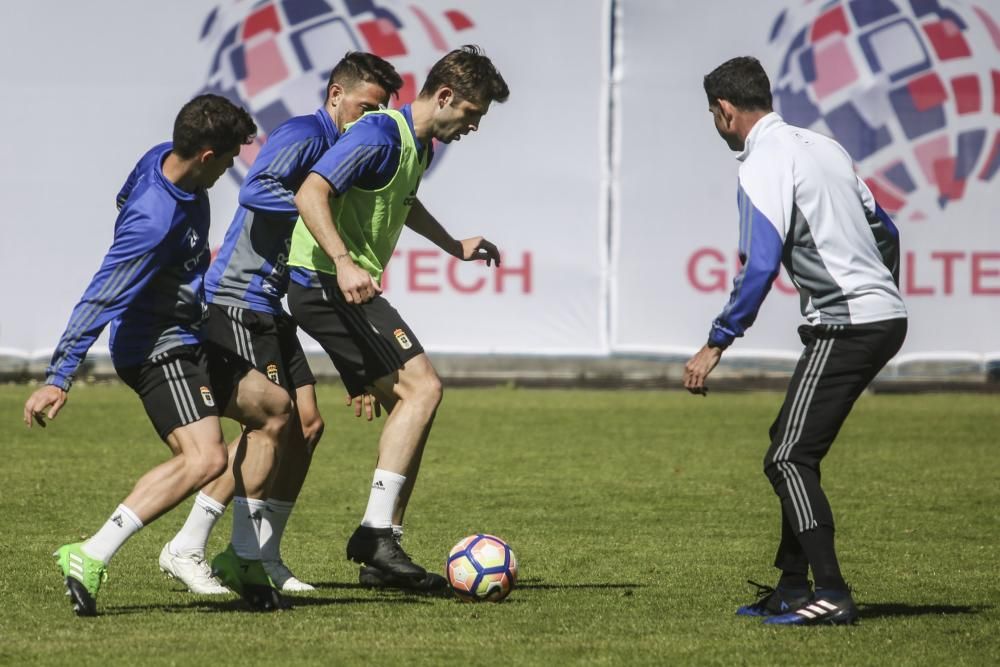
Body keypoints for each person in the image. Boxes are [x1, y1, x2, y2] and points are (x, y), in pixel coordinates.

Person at [23, 94, 295, 616]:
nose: (235, 166)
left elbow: (121, 195)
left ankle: (241, 556)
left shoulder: (162, 158)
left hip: (189, 333)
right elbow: (102, 294)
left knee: (275, 409)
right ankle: (89, 553)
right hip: (155, 346)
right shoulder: (153, 221)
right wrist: (59, 377)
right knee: (204, 458)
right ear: (208, 154)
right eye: (233, 155)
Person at [159, 52, 403, 596]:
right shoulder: (303, 133)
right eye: (366, 106)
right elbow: (252, 189)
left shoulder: (342, 149)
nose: (372, 119)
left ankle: (264, 554)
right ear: (336, 96)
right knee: (267, 422)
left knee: (309, 424)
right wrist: (314, 206)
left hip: (274, 304)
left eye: (382, 110)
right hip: (239, 298)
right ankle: (189, 545)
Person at [683, 56, 907, 626]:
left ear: (725, 111)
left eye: (713, 113)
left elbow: (759, 266)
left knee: (787, 456)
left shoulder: (763, 162)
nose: (716, 122)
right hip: (876, 317)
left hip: (847, 323)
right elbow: (887, 229)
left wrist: (716, 342)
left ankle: (830, 592)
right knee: (791, 442)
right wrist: (882, 294)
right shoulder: (823, 147)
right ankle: (790, 585)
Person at [286, 45, 509, 588]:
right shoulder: (380, 132)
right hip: (323, 280)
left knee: (410, 407)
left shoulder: (418, 146)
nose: (474, 127)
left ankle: (383, 550)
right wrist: (342, 262)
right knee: (425, 388)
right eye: (473, 114)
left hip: (341, 286)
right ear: (447, 96)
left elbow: (404, 203)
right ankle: (377, 535)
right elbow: (310, 192)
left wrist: (454, 245)